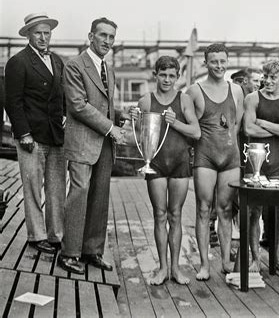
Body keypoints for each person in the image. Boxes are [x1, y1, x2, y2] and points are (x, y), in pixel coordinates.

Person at [58, 17, 130, 274]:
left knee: (99, 199)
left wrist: (120, 114)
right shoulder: (75, 65)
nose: (108, 42)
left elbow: (102, 105)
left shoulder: (108, 69)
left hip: (103, 146)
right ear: (90, 37)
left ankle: (92, 251)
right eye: (103, 36)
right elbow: (78, 105)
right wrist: (112, 128)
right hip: (82, 144)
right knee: (78, 196)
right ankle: (69, 253)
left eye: (112, 37)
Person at [135, 56, 200, 285]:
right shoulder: (146, 101)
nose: (167, 79)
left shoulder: (184, 100)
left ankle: (176, 268)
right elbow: (139, 138)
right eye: (163, 74)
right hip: (157, 163)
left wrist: (175, 123)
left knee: (176, 215)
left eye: (172, 75)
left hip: (180, 163)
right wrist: (133, 121)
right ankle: (162, 268)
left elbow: (196, 132)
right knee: (159, 215)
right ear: (155, 74)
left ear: (178, 77)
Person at [4, 13, 66, 254]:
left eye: (46, 32)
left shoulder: (58, 61)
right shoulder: (18, 62)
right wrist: (23, 134)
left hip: (56, 135)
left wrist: (66, 116)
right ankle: (36, 235)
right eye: (38, 33)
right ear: (28, 34)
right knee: (32, 187)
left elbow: (62, 95)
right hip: (32, 137)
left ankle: (55, 235)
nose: (43, 37)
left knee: (56, 188)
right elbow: (13, 102)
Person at [187, 43, 244, 280]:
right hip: (205, 157)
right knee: (203, 209)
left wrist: (230, 144)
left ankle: (226, 261)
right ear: (206, 62)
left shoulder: (237, 90)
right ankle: (203, 264)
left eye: (223, 61)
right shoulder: (194, 90)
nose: (219, 66)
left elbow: (236, 124)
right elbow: (190, 126)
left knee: (226, 210)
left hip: (230, 157)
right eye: (214, 61)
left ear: (227, 61)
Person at [243, 60, 279, 272]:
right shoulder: (252, 98)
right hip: (254, 162)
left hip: (278, 162)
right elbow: (249, 128)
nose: (267, 81)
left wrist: (264, 123)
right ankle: (256, 259)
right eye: (265, 76)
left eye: (273, 77)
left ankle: (276, 258)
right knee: (253, 212)